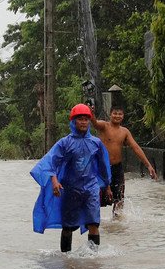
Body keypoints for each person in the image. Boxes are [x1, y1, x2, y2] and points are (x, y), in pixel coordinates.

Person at [30, 104, 113, 252]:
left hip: (91, 188)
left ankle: (94, 258)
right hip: (70, 189)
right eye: (80, 119)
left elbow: (104, 167)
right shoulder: (64, 143)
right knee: (68, 226)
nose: (83, 122)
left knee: (94, 223)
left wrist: (107, 186)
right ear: (73, 121)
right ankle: (66, 259)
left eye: (86, 119)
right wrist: (54, 181)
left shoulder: (96, 143)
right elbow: (50, 163)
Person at [90, 105, 157, 216]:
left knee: (120, 198)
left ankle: (117, 224)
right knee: (97, 197)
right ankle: (94, 224)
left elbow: (136, 147)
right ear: (110, 114)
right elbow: (95, 123)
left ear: (123, 116)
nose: (117, 116)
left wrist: (148, 165)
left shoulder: (124, 132)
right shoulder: (104, 126)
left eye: (120, 114)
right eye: (115, 113)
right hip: (102, 168)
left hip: (117, 168)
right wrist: (92, 114)